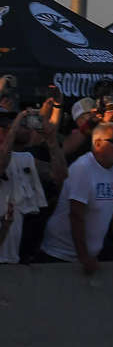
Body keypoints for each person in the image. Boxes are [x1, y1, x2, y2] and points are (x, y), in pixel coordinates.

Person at [39, 122, 113, 273]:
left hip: (89, 255)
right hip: (59, 254)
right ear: (98, 144)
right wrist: (83, 257)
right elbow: (76, 215)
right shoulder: (83, 168)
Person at [0, 111, 49, 264]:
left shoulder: (25, 159)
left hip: (13, 254)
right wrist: (14, 128)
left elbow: (59, 175)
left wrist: (52, 140)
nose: (26, 128)